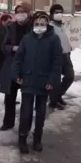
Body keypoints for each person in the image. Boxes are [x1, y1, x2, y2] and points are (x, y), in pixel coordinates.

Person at [11, 11, 62, 154]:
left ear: (47, 24)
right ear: (33, 24)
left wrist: (52, 80)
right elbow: (18, 59)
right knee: (26, 112)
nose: (40, 26)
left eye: (43, 24)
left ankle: (37, 139)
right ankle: (22, 138)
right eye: (37, 24)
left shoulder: (54, 39)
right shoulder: (27, 39)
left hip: (44, 83)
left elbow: (57, 63)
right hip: (28, 81)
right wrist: (16, 75)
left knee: (40, 113)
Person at [0, 1, 33, 131]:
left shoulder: (33, 26)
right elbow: (3, 46)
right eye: (17, 12)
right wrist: (13, 48)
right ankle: (8, 122)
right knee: (9, 97)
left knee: (27, 99)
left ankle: (25, 126)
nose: (20, 14)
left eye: (22, 12)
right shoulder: (11, 27)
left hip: (28, 68)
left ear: (29, 12)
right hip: (13, 67)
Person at [49, 4, 75, 110]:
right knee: (56, 79)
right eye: (56, 12)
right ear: (52, 14)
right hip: (56, 56)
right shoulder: (50, 27)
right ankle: (54, 101)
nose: (59, 14)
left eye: (60, 12)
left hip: (66, 55)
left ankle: (57, 96)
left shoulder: (62, 26)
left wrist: (69, 48)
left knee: (70, 76)